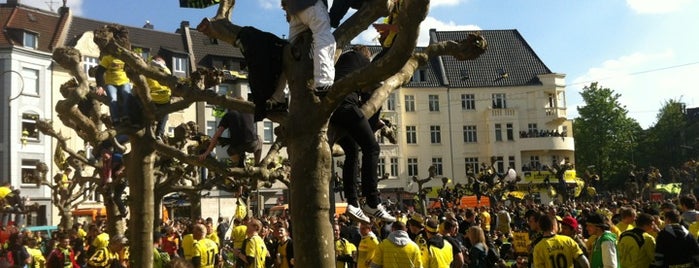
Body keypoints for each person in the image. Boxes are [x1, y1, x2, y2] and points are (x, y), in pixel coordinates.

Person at [330, 46, 395, 224]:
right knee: (372, 148)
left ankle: (352, 203)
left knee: (352, 150)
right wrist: (373, 123)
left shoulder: (341, 63)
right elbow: (371, 90)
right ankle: (372, 201)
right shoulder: (361, 59)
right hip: (346, 106)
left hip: (331, 111)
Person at [282, 0, 335, 96]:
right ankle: (323, 82)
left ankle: (278, 95)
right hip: (311, 3)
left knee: (289, 48)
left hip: (294, 7)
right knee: (323, 35)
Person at [147, 55, 172, 139]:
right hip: (160, 99)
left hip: (155, 99)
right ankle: (159, 133)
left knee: (164, 116)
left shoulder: (148, 71)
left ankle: (158, 133)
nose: (164, 65)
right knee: (164, 116)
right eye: (163, 63)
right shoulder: (166, 71)